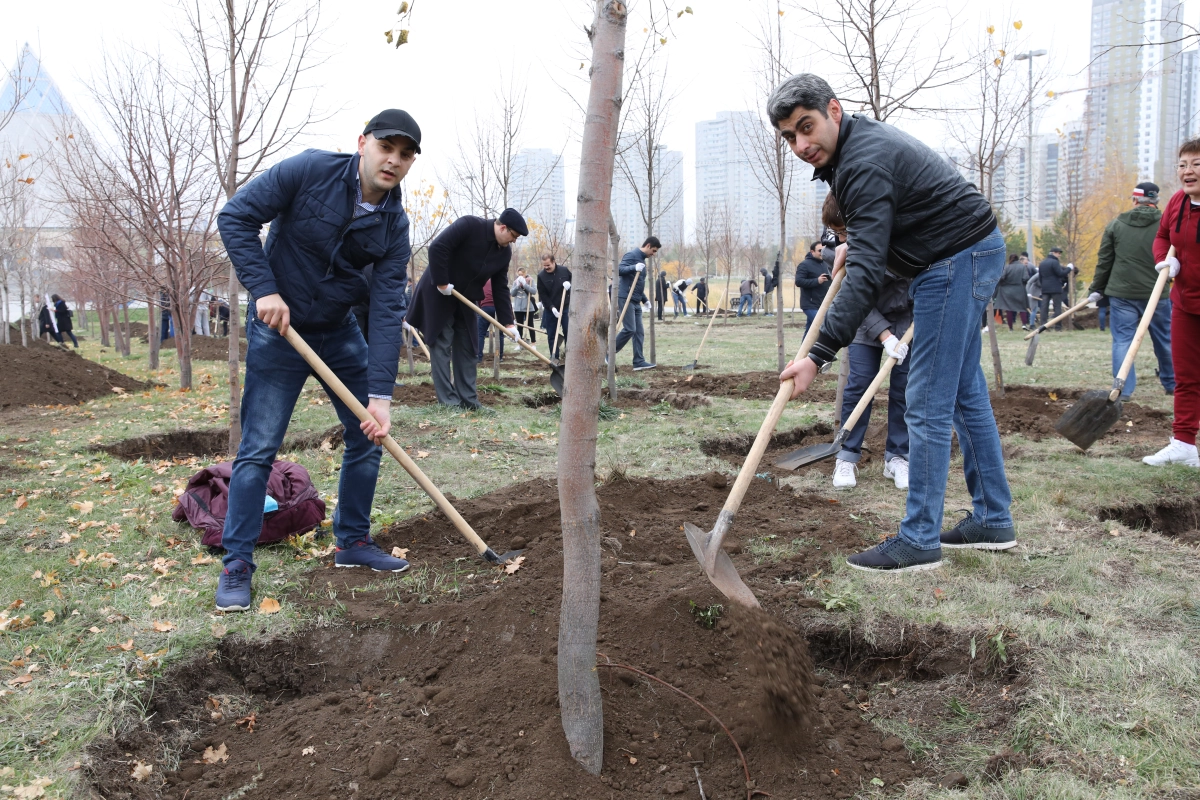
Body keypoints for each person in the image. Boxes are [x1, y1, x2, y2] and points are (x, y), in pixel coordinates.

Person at [770, 73, 1015, 572]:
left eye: (806, 127)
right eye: (789, 136)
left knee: (925, 400)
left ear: (834, 111)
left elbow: (864, 278)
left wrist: (817, 354)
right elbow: (883, 229)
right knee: (965, 394)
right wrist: (856, 244)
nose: (800, 144)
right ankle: (992, 518)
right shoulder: (854, 152)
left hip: (953, 260)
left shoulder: (862, 162)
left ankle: (919, 538)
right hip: (964, 253)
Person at [214, 109, 422, 611]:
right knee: (259, 448)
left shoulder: (394, 225)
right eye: (385, 147)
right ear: (362, 143)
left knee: (368, 433)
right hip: (277, 330)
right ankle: (237, 563)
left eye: (404, 154)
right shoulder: (308, 170)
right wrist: (264, 290)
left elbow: (389, 306)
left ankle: (352, 543)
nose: (392, 160)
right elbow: (235, 217)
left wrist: (380, 396)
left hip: (337, 331)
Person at [821, 197, 912, 491]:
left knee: (905, 389)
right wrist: (884, 336)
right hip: (865, 319)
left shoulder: (903, 239)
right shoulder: (837, 253)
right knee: (859, 385)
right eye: (838, 234)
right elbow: (854, 297)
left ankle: (897, 457)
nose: (842, 239)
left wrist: (904, 329)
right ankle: (846, 456)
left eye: (846, 231)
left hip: (908, 320)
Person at [408, 208, 526, 410]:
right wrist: (442, 283)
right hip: (439, 292)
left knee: (469, 347)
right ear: (503, 227)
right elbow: (438, 247)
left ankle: (469, 400)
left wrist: (509, 322)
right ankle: (448, 402)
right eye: (513, 236)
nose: (513, 241)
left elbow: (499, 288)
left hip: (467, 299)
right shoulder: (470, 225)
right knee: (442, 344)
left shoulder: (504, 253)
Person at [1087, 181, 1173, 399]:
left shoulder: (1116, 224)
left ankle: (1123, 388)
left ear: (1135, 200)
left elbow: (1105, 261)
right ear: (1156, 200)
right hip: (1157, 293)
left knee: (1123, 340)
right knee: (1165, 339)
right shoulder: (1169, 225)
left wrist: (1097, 289)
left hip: (1122, 294)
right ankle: (1172, 384)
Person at [1144, 141, 1200, 467]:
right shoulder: (1178, 202)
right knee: (1186, 377)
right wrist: (1164, 262)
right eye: (1182, 164)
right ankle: (1183, 444)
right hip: (1184, 303)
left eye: (1196, 163)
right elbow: (1163, 236)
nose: (1187, 171)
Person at [614, 236, 660, 370]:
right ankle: (608, 353)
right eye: (654, 251)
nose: (654, 254)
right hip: (625, 297)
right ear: (648, 246)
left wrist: (645, 300)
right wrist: (634, 267)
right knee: (630, 329)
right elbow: (619, 270)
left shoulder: (642, 260)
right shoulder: (632, 255)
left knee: (639, 332)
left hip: (635, 300)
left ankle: (638, 361)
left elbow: (637, 283)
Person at [537, 253, 571, 360]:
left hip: (565, 308)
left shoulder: (564, 271)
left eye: (548, 265)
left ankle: (569, 357)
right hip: (551, 310)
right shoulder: (541, 276)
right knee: (551, 334)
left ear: (553, 262)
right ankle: (554, 358)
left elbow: (574, 281)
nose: (546, 267)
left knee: (568, 332)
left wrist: (570, 284)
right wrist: (552, 307)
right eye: (544, 265)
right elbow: (543, 295)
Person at [796, 239, 832, 337]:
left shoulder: (826, 264)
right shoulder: (804, 265)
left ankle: (804, 352)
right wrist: (817, 281)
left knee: (810, 332)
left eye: (824, 250)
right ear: (812, 252)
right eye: (820, 250)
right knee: (823, 326)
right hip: (810, 304)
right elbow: (798, 281)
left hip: (823, 303)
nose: (822, 253)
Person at [1037, 247, 1076, 331]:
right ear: (1053, 253)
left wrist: (1042, 285)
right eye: (1058, 253)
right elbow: (1060, 274)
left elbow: (1040, 277)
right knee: (1057, 307)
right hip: (1055, 287)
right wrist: (1069, 268)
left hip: (1045, 287)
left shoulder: (1042, 263)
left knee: (1044, 307)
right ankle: (1058, 327)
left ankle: (1043, 326)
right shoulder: (1055, 262)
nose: (1059, 255)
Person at [994, 254, 1030, 331]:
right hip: (1020, 290)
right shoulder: (1022, 267)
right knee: (1022, 308)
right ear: (1018, 259)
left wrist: (1004, 283)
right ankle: (1024, 324)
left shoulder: (1007, 267)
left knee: (1009, 309)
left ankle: (1010, 328)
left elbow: (1001, 277)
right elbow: (1025, 278)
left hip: (1007, 291)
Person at [475, 278, 505, 363]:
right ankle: (500, 357)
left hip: (486, 308)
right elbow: (505, 297)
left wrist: (481, 307)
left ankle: (479, 357)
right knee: (500, 334)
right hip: (498, 308)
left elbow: (479, 297)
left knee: (480, 333)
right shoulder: (500, 280)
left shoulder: (483, 281)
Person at [511, 267, 537, 342]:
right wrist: (517, 286)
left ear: (525, 273)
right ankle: (520, 343)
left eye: (522, 274)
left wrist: (525, 285)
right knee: (519, 326)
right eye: (519, 274)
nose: (520, 276)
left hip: (528, 307)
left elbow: (534, 291)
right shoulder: (515, 282)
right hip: (518, 308)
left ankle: (533, 343)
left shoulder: (530, 280)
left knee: (530, 326)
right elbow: (512, 294)